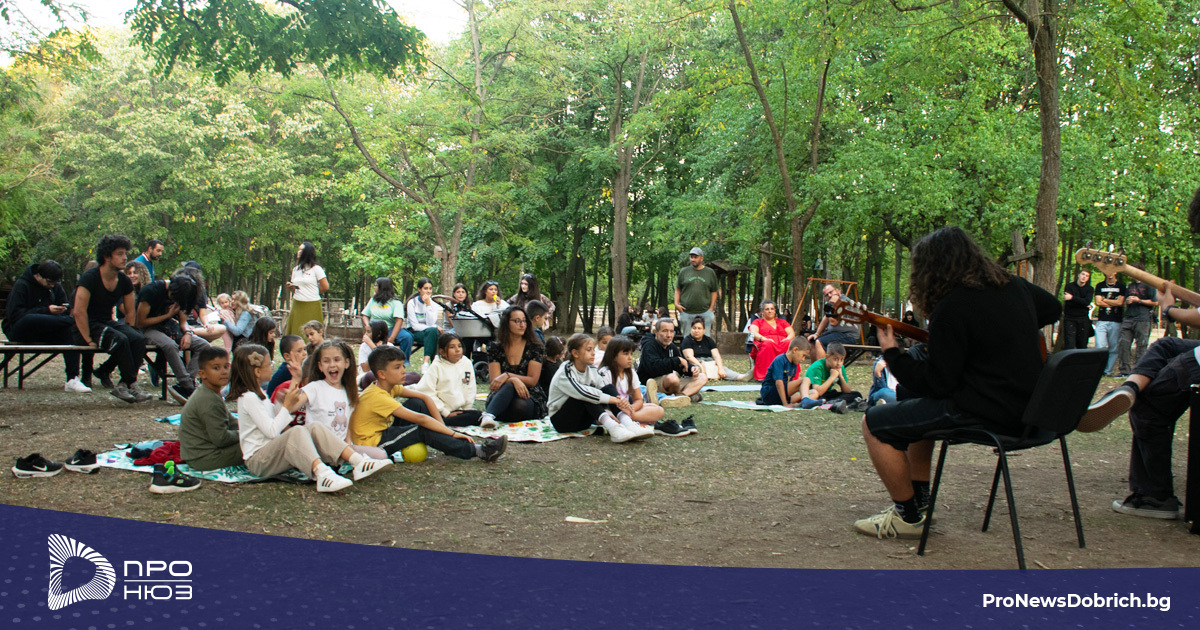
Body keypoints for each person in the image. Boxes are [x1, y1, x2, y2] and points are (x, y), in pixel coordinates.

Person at [853, 226, 1060, 540]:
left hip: (987, 412)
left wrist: (893, 354)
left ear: (931, 269)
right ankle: (921, 501)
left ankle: (907, 517)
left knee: (873, 423)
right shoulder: (1014, 285)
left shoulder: (952, 306)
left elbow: (938, 385)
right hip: (1032, 410)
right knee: (910, 399)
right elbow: (1053, 308)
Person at [230, 344, 391, 492]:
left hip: (272, 453)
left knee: (314, 427)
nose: (272, 367)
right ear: (257, 372)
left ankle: (358, 462)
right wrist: (286, 406)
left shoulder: (260, 395)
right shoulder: (249, 398)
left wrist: (295, 380)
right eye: (269, 364)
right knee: (297, 431)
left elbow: (280, 416)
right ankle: (322, 473)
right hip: (258, 461)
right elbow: (272, 431)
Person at [349, 346, 507, 463]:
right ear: (381, 374)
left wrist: (444, 429)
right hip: (372, 443)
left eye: (403, 365)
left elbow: (424, 398)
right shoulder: (378, 397)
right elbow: (422, 420)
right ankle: (479, 451)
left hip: (382, 430)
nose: (403, 371)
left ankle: (446, 442)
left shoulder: (389, 386)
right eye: (397, 367)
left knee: (416, 403)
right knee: (422, 430)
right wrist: (451, 433)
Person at [73, 234, 151, 403]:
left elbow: (130, 312)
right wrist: (87, 339)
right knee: (120, 339)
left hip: (106, 322)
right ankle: (131, 383)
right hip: (87, 325)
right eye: (120, 254)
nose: (125, 258)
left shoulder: (123, 280)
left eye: (125, 253)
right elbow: (79, 311)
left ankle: (123, 384)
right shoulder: (90, 278)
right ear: (107, 257)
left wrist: (130, 330)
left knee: (137, 339)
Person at [284, 339, 387, 459]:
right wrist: (296, 378)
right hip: (318, 449)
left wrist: (348, 444)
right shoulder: (314, 388)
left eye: (337, 360)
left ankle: (351, 460)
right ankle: (356, 461)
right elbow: (291, 406)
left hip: (341, 448)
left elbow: (347, 423)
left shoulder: (348, 391)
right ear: (320, 366)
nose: (332, 364)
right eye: (326, 361)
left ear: (346, 363)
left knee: (381, 455)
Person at [1, 260, 90, 393]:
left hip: (47, 329)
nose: (52, 285)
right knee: (31, 319)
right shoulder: (22, 285)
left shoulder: (55, 287)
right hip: (20, 329)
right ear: (38, 276)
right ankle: (73, 321)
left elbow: (64, 305)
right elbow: (15, 315)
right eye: (49, 282)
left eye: (55, 283)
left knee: (69, 330)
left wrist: (62, 310)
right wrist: (46, 310)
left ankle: (72, 379)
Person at [548, 333, 649, 442]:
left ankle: (628, 423)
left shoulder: (591, 369)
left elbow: (604, 389)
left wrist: (621, 401)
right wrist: (615, 400)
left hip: (583, 422)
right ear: (575, 353)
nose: (593, 353)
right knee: (588, 393)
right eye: (589, 350)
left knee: (608, 388)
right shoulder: (565, 371)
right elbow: (583, 393)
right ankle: (613, 428)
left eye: (593, 349)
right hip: (562, 422)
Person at [137, 271, 213, 403]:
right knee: (170, 345)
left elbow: (183, 322)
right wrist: (167, 315)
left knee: (204, 345)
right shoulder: (151, 291)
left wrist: (188, 333)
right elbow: (140, 322)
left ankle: (185, 386)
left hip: (169, 327)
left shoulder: (184, 294)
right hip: (147, 329)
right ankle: (188, 386)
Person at [178, 347, 244, 470]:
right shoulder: (208, 399)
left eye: (226, 367)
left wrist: (251, 427)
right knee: (257, 444)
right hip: (204, 458)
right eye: (216, 368)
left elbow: (231, 422)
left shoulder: (211, 392)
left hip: (204, 454)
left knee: (257, 438)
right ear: (202, 374)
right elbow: (221, 439)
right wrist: (246, 433)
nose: (224, 372)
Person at [479, 306, 547, 425]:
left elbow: (532, 380)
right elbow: (495, 381)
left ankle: (490, 415)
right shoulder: (495, 347)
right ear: (506, 323)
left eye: (524, 321)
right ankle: (489, 416)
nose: (522, 325)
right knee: (510, 386)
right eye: (517, 321)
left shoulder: (535, 347)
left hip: (528, 394)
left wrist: (508, 375)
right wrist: (513, 380)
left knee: (518, 405)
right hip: (502, 393)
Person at [409, 333, 491, 428]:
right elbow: (427, 392)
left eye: (459, 346)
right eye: (452, 347)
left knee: (477, 415)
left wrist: (466, 409)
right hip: (439, 411)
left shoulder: (466, 363)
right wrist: (445, 412)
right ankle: (440, 422)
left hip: (457, 410)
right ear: (442, 352)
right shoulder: (437, 366)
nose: (457, 350)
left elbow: (470, 388)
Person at [598, 335, 674, 432]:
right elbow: (604, 402)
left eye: (631, 354)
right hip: (611, 410)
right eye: (626, 354)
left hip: (628, 410)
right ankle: (626, 420)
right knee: (606, 414)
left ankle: (628, 419)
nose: (630, 358)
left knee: (659, 410)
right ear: (614, 356)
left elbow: (638, 400)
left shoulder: (631, 373)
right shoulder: (605, 373)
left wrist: (631, 409)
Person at [636, 317, 707, 408]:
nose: (669, 335)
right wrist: (677, 360)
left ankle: (679, 397)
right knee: (672, 378)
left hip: (671, 384)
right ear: (656, 332)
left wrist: (692, 369)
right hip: (651, 382)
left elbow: (681, 367)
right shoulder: (649, 345)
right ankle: (682, 396)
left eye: (671, 331)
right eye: (665, 331)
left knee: (702, 377)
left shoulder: (671, 347)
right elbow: (653, 367)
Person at [361, 277, 414, 365]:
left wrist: (392, 338)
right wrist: (368, 328)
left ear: (382, 288)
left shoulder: (396, 302)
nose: (374, 287)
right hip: (375, 329)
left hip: (389, 329)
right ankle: (371, 361)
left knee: (407, 337)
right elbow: (365, 315)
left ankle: (404, 362)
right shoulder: (373, 300)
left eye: (376, 285)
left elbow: (399, 320)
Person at [682, 316, 750, 381]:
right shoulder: (687, 340)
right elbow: (689, 357)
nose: (696, 331)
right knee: (697, 370)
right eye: (694, 328)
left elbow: (716, 356)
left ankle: (742, 377)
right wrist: (701, 367)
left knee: (723, 370)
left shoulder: (708, 340)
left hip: (709, 362)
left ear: (704, 330)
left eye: (699, 328)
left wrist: (720, 368)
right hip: (695, 364)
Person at [1117, 264, 1156, 377]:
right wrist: (1128, 301)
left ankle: (1138, 371)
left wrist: (1139, 300)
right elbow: (1125, 300)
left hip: (1143, 319)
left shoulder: (1149, 285)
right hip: (1129, 318)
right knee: (1123, 343)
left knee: (1141, 345)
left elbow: (1155, 302)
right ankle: (1124, 371)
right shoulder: (1130, 286)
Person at [805, 342, 864, 413]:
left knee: (857, 395)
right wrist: (832, 377)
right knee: (819, 398)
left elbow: (847, 391)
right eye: (835, 359)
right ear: (827, 357)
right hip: (814, 394)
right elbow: (818, 392)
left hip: (828, 394)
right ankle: (833, 403)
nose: (839, 363)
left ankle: (834, 403)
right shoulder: (817, 367)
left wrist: (841, 377)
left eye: (842, 360)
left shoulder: (840, 367)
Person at [285, 241, 328, 336]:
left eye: (301, 250)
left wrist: (313, 293)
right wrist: (291, 287)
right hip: (297, 303)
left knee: (313, 332)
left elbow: (325, 286)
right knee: (296, 332)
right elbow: (296, 289)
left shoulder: (316, 269)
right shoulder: (296, 269)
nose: (298, 252)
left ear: (307, 252)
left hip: (312, 304)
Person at [808, 285, 861, 360]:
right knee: (813, 341)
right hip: (835, 334)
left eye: (831, 292)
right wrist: (817, 334)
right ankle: (815, 367)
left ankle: (822, 367)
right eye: (826, 295)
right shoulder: (833, 303)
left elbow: (833, 322)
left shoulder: (845, 302)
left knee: (820, 342)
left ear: (838, 291)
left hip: (848, 336)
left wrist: (833, 304)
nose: (829, 295)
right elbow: (826, 318)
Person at [674, 246, 719, 334]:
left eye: (695, 257)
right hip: (686, 312)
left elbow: (714, 291)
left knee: (705, 339)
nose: (693, 259)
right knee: (687, 339)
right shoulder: (684, 271)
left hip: (705, 312)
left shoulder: (710, 272)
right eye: (691, 257)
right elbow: (678, 289)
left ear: (701, 258)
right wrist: (676, 304)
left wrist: (711, 308)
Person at [758, 337, 813, 408]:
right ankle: (805, 400)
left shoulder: (794, 364)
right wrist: (785, 403)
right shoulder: (780, 360)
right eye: (803, 355)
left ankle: (802, 403)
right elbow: (779, 383)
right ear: (795, 350)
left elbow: (789, 383)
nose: (803, 359)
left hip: (782, 394)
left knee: (814, 393)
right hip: (770, 394)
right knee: (805, 379)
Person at [748, 300, 795, 381]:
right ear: (762, 311)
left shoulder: (782, 322)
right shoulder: (757, 322)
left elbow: (792, 334)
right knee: (767, 344)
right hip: (765, 344)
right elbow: (753, 333)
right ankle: (765, 375)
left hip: (782, 344)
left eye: (772, 309)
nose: (770, 311)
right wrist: (764, 339)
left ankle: (787, 374)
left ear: (775, 311)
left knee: (788, 343)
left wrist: (787, 339)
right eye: (767, 309)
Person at [406, 277, 443, 370]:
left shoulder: (433, 304)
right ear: (419, 289)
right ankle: (434, 365)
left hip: (429, 333)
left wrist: (428, 305)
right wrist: (434, 326)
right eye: (425, 288)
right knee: (433, 333)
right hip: (414, 332)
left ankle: (426, 363)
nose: (428, 291)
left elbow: (431, 322)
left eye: (430, 288)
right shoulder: (412, 303)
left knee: (433, 333)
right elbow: (415, 326)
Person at [1093, 272, 1126, 376]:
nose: (1110, 273)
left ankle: (1108, 370)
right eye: (1108, 271)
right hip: (1102, 320)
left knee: (1113, 347)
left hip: (1116, 320)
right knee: (1100, 345)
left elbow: (1120, 303)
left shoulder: (1121, 286)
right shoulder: (1100, 285)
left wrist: (1104, 299)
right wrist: (1113, 302)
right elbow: (1098, 302)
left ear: (1116, 272)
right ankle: (1100, 369)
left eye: (1112, 270)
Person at [1060, 269, 1094, 350]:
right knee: (1069, 343)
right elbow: (1069, 303)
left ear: (1088, 278)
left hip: (1083, 319)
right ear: (1079, 275)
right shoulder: (1069, 286)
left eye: (1087, 276)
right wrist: (1083, 303)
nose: (1084, 277)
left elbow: (1087, 301)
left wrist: (1072, 298)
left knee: (1082, 344)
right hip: (1070, 318)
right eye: (1083, 274)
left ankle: (1081, 358)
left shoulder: (1090, 289)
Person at [357, 320, 392, 389]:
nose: (365, 334)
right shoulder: (364, 346)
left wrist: (375, 348)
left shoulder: (390, 346)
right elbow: (365, 369)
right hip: (368, 377)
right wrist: (374, 348)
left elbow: (388, 365)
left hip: (385, 377)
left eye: (368, 332)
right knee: (371, 376)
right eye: (366, 331)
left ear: (379, 334)